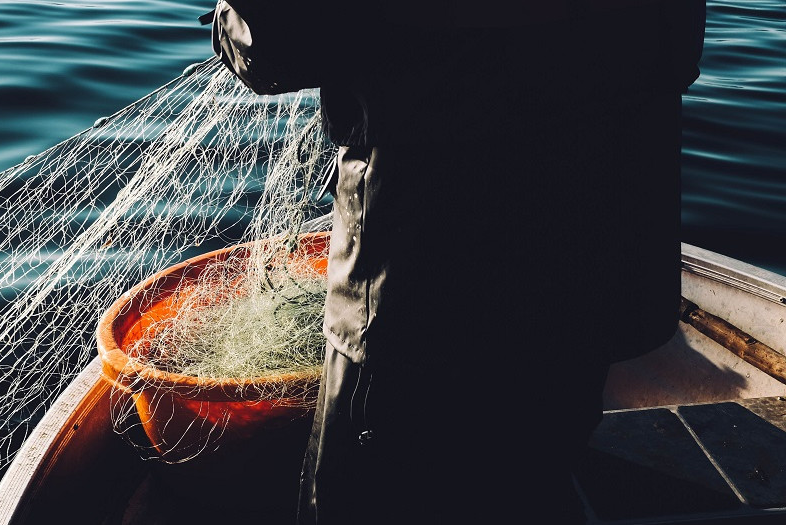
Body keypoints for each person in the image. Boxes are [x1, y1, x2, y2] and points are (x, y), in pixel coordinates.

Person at [253, 2, 709, 523]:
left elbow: (272, 42)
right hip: (588, 267)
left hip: (417, 285)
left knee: (369, 492)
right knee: (531, 477)